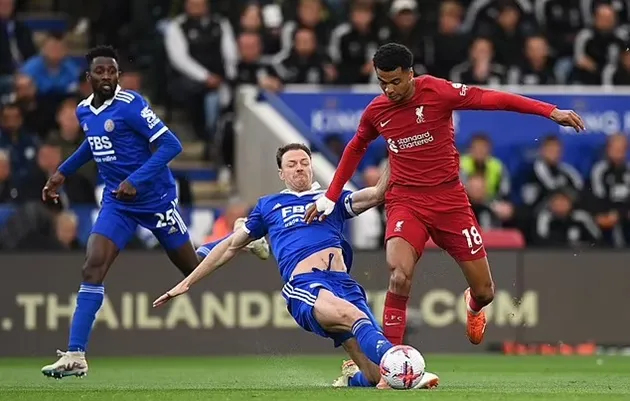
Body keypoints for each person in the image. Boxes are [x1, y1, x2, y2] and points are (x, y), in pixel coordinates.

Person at [305, 43, 585, 348]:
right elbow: (356, 147)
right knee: (399, 274)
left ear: (410, 74)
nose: (389, 90)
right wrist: (331, 196)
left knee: (485, 291)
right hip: (406, 201)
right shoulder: (377, 111)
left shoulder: (438, 92)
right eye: (382, 82)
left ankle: (473, 305)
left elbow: (495, 99)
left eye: (395, 81)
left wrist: (550, 111)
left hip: (450, 202)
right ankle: (389, 359)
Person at [37, 46, 266, 379]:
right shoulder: (85, 111)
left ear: (118, 74)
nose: (106, 77)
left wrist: (136, 179)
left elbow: (172, 144)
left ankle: (240, 237)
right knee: (92, 266)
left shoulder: (132, 105)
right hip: (119, 203)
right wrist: (61, 172)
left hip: (155, 198)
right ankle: (76, 354)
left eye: (112, 72)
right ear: (89, 77)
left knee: (192, 269)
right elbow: (92, 141)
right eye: (100, 72)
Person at [152, 143, 439, 390]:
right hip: (305, 287)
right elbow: (229, 246)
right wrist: (187, 281)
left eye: (304, 162)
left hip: (344, 285)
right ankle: (404, 365)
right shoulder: (269, 206)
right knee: (353, 318)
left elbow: (377, 194)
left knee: (375, 375)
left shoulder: (331, 199)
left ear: (311, 167)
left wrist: (396, 148)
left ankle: (353, 378)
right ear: (282, 172)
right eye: (291, 164)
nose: (299, 168)